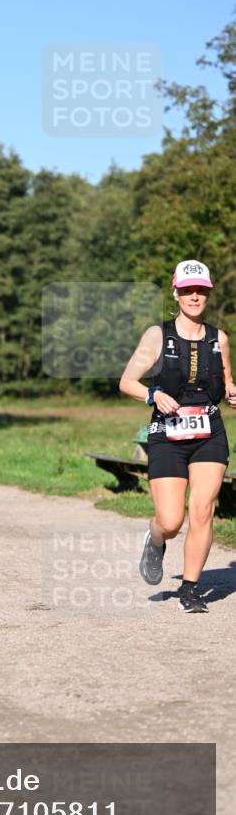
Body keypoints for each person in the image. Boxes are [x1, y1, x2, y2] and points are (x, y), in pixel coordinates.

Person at [119, 260, 236, 613]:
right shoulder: (157, 336)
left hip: (209, 432)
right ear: (176, 293)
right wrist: (152, 395)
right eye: (187, 290)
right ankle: (155, 539)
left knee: (202, 510)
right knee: (171, 521)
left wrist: (232, 392)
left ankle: (190, 588)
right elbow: (127, 381)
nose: (194, 296)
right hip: (167, 433)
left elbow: (227, 383)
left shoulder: (220, 339)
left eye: (200, 290)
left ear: (208, 293)